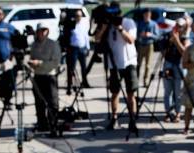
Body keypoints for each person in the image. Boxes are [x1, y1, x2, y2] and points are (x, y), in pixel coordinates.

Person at [95, 1, 138, 133]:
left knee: (131, 93)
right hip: (114, 63)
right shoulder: (107, 24)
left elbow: (131, 40)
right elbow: (96, 39)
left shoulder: (128, 22)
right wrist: (104, 27)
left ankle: (132, 119)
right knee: (114, 92)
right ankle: (114, 118)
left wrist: (120, 28)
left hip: (129, 62)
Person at [29, 23, 62, 136]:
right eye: (40, 30)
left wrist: (41, 63)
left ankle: (53, 125)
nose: (42, 33)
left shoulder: (53, 44)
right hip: (38, 76)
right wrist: (32, 64)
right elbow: (31, 57)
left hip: (49, 76)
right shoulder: (34, 45)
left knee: (53, 102)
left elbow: (55, 62)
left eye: (44, 30)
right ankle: (42, 124)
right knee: (39, 102)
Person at [162, 18, 190, 123]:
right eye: (177, 25)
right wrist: (169, 42)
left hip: (179, 65)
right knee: (167, 91)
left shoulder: (185, 38)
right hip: (168, 64)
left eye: (181, 26)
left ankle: (178, 113)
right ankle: (168, 113)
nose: (178, 28)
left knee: (178, 92)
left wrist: (177, 40)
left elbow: (184, 53)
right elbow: (163, 53)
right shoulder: (168, 35)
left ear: (184, 28)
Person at [66, 9, 91, 95]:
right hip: (73, 49)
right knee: (71, 68)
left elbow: (86, 36)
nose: (78, 18)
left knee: (83, 67)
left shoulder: (83, 25)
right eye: (77, 16)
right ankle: (70, 85)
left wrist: (88, 47)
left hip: (82, 48)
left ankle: (85, 82)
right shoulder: (71, 25)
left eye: (80, 16)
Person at [136, 8, 158, 87]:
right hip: (141, 45)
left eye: (148, 15)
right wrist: (140, 36)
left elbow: (157, 36)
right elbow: (135, 35)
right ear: (143, 15)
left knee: (148, 65)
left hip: (149, 45)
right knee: (138, 64)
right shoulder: (140, 23)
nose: (147, 16)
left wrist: (150, 35)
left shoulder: (153, 24)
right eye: (146, 15)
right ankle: (136, 80)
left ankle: (146, 81)